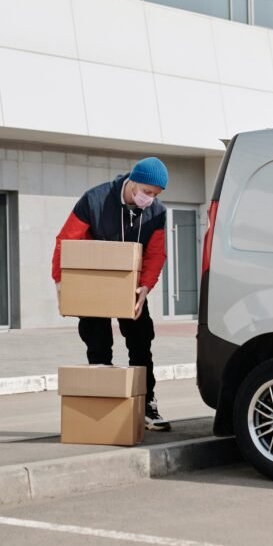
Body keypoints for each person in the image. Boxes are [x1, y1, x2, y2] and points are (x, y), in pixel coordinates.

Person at [52, 157, 171, 431]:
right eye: (147, 192)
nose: (150, 199)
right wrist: (62, 280)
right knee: (98, 344)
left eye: (155, 195)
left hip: (132, 287)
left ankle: (146, 403)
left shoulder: (157, 213)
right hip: (95, 284)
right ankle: (104, 403)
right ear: (133, 181)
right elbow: (66, 240)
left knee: (141, 344)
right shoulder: (95, 200)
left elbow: (156, 253)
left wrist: (146, 286)